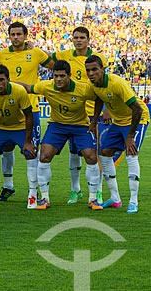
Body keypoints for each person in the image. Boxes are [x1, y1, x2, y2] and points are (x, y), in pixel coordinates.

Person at [17, 60, 103, 210]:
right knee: (44, 155)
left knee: (91, 156)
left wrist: (94, 120)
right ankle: (44, 198)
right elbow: (28, 88)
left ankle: (93, 198)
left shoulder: (83, 89)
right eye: (55, 76)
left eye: (62, 76)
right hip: (57, 126)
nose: (58, 79)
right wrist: (8, 82)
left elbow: (99, 97)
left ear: (69, 75)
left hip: (80, 126)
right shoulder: (47, 86)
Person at [0, 21, 53, 202]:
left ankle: (33, 192)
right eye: (13, 34)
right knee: (6, 148)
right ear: (9, 36)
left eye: (19, 34)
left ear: (25, 36)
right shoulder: (2, 55)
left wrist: (41, 49)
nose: (16, 37)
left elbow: (56, 65)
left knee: (31, 151)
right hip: (6, 109)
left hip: (30, 109)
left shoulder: (35, 53)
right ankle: (8, 185)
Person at [52, 26, 107, 205]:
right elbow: (46, 60)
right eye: (75, 37)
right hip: (74, 110)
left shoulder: (99, 58)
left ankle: (97, 190)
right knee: (73, 151)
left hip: (93, 112)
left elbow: (104, 84)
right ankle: (75, 189)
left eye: (82, 37)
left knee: (94, 153)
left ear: (88, 39)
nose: (78, 40)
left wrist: (106, 109)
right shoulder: (63, 55)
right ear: (72, 39)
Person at [86, 55, 146, 214]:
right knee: (104, 153)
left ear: (102, 70)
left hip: (136, 120)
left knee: (131, 154)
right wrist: (94, 120)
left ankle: (133, 201)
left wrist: (130, 136)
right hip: (118, 121)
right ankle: (115, 198)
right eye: (88, 70)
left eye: (94, 70)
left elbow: (137, 109)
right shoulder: (94, 85)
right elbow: (99, 99)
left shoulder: (117, 83)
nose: (91, 73)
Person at [0, 64, 38, 209]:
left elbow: (29, 116)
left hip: (20, 127)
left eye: (1, 80)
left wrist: (28, 141)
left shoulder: (19, 91)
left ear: (8, 80)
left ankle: (33, 195)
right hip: (0, 127)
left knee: (31, 154)